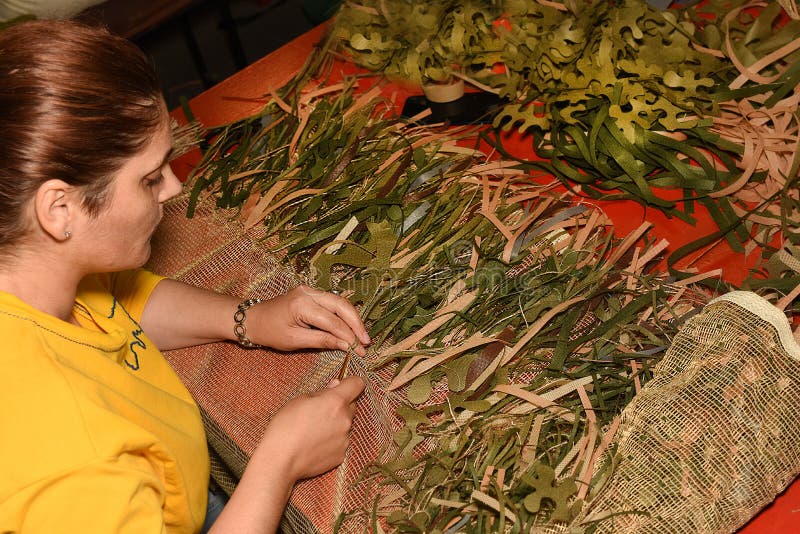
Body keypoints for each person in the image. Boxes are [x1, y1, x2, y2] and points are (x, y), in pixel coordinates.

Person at [0, 19, 370, 533]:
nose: (173, 190)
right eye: (150, 178)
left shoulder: (30, 268)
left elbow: (115, 306)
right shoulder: (74, 466)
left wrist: (250, 319)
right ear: (59, 208)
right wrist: (279, 463)